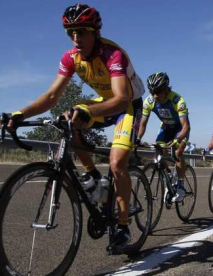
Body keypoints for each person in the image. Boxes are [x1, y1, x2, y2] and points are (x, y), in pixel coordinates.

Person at [3, 3, 145, 250]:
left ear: (94, 32)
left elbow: (121, 98)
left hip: (128, 105)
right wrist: (19, 113)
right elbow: (51, 97)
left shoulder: (112, 54)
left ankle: (122, 226)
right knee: (69, 117)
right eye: (71, 33)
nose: (76, 38)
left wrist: (88, 111)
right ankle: (92, 176)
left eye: (81, 31)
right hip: (105, 100)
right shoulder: (71, 58)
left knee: (117, 162)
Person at [137, 72, 190, 202]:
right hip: (166, 128)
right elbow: (143, 124)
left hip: (180, 129)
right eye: (152, 91)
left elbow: (186, 127)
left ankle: (181, 187)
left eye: (158, 91)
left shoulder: (178, 100)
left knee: (177, 153)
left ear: (166, 88)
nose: (155, 95)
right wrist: (137, 139)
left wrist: (177, 139)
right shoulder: (149, 101)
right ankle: (170, 175)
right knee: (159, 151)